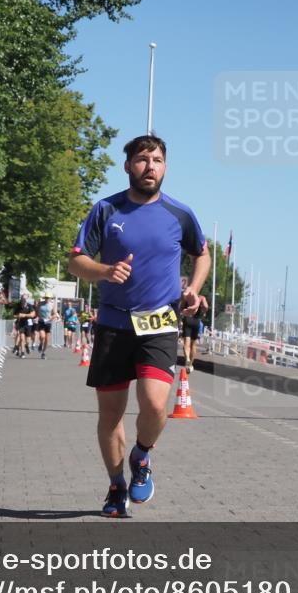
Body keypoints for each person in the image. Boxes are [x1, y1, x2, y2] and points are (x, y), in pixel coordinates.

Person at [68, 134, 210, 518]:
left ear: (165, 167)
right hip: (113, 324)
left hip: (160, 322)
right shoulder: (105, 210)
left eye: (158, 160)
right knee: (110, 416)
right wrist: (105, 271)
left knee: (154, 404)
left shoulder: (179, 214)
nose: (151, 167)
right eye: (143, 160)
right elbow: (75, 262)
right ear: (128, 166)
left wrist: (193, 291)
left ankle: (142, 455)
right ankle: (116, 486)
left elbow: (202, 254)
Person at [180, 296, 209, 373]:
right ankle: (190, 365)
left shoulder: (186, 297)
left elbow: (181, 307)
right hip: (196, 321)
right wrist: (202, 310)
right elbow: (206, 307)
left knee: (186, 342)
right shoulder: (201, 298)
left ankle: (187, 359)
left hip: (187, 319)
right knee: (193, 344)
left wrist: (183, 312)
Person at [13, 292, 36, 358]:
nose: (23, 300)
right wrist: (18, 316)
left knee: (28, 340)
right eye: (22, 299)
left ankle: (27, 346)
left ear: (27, 299)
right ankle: (22, 352)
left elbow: (33, 314)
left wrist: (24, 315)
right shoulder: (18, 305)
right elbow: (14, 315)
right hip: (21, 324)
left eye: (25, 299)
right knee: (22, 338)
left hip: (28, 324)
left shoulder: (29, 306)